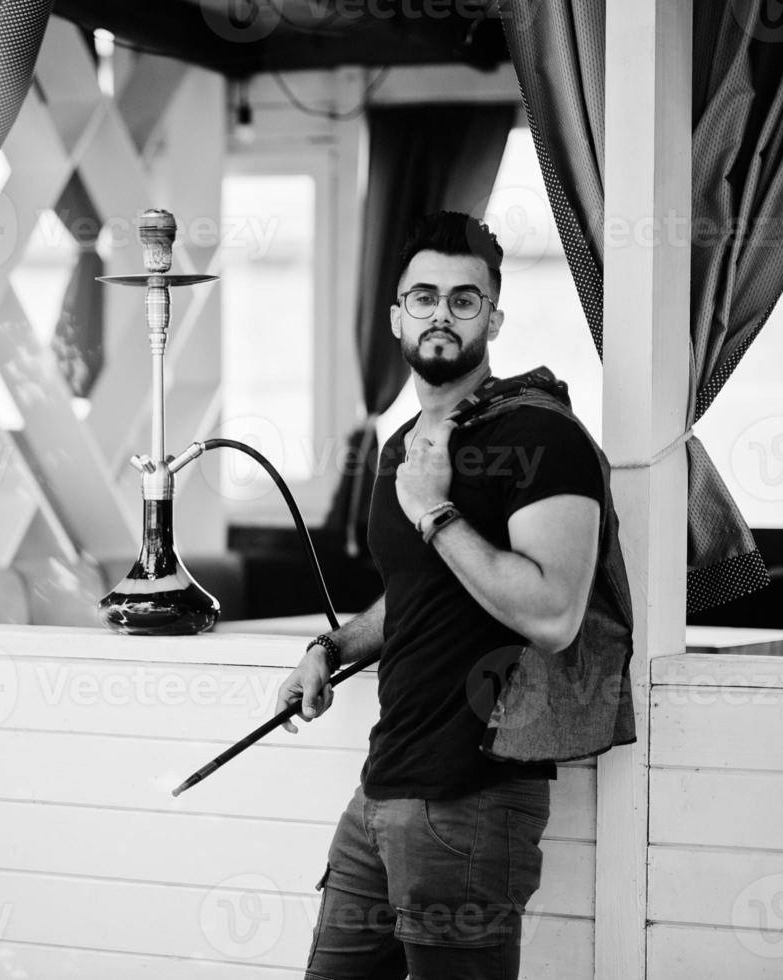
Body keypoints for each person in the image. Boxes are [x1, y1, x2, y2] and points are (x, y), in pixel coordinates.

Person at [279, 211, 608, 980]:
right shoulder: (403, 446)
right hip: (380, 790)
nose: (440, 313)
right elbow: (414, 598)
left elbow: (552, 614)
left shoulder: (542, 436)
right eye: (421, 296)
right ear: (395, 314)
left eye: (464, 299)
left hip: (472, 796)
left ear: (492, 317)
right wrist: (327, 651)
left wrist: (433, 510)